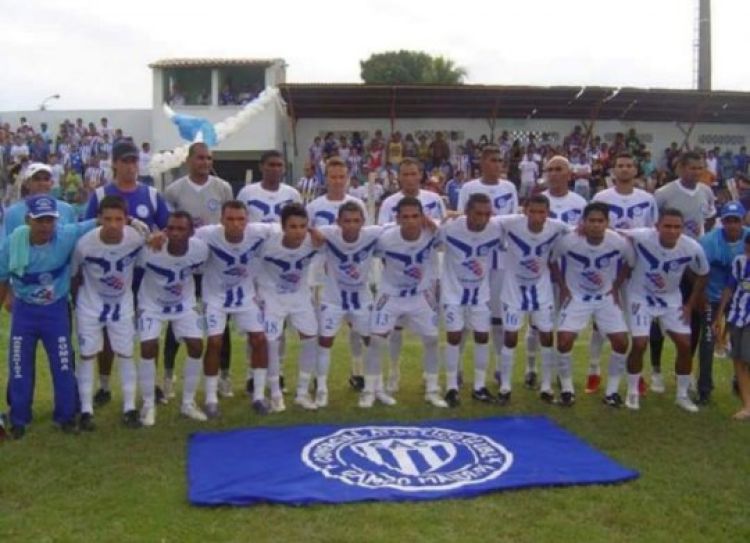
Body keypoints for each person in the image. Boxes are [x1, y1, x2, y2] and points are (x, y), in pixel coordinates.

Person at [0, 195, 99, 439]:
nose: (45, 226)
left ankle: (66, 416)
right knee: (19, 364)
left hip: (55, 310)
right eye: (40, 220)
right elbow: (2, 278)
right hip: (25, 311)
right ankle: (19, 418)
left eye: (50, 220)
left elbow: (99, 221)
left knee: (63, 364)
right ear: (28, 220)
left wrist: (134, 222)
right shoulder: (12, 244)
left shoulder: (66, 234)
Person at [85, 139, 169, 407]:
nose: (131, 166)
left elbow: (167, 227)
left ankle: (152, 384)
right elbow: (86, 229)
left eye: (134, 161)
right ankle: (104, 385)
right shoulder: (100, 195)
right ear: (115, 163)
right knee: (108, 333)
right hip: (109, 276)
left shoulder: (152, 194)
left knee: (149, 333)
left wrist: (159, 237)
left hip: (144, 277)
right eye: (125, 161)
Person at [163, 142, 233, 398]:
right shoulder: (174, 190)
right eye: (201, 158)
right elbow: (169, 226)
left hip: (215, 265)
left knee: (221, 322)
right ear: (189, 160)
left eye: (209, 158)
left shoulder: (223, 188)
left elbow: (229, 222)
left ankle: (224, 376)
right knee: (177, 320)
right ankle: (168, 376)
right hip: (185, 265)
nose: (205, 162)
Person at [73, 196, 150, 430]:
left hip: (122, 305)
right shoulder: (85, 244)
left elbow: (144, 263)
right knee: (87, 355)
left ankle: (129, 408)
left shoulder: (135, 238)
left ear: (126, 219)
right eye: (108, 219)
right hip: (90, 305)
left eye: (119, 219)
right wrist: (76, 304)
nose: (113, 225)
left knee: (125, 353)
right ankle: (86, 410)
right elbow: (74, 275)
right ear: (99, 219)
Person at [622, 208, 709, 412]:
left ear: (682, 228)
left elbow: (703, 274)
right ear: (657, 226)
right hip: (640, 296)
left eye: (677, 227)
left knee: (685, 344)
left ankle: (682, 395)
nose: (672, 231)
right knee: (640, 343)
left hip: (670, 299)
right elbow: (613, 231)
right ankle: (632, 391)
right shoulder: (642, 236)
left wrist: (689, 304)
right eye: (667, 226)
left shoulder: (692, 247)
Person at [194, 201, 274, 418]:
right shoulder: (206, 234)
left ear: (247, 220)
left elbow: (284, 228)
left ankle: (258, 395)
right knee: (214, 342)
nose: (236, 224)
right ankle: (211, 398)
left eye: (241, 219)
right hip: (215, 297)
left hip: (246, 296)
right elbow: (182, 239)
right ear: (221, 220)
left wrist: (313, 232)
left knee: (259, 339)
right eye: (230, 219)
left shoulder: (259, 231)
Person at [589, 152, 658, 393]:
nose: (625, 169)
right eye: (620, 165)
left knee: (636, 323)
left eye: (629, 165)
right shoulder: (601, 197)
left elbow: (653, 233)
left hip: (637, 268)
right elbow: (591, 228)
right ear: (613, 170)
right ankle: (593, 371)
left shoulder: (647, 199)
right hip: (606, 267)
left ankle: (636, 374)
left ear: (636, 170)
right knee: (599, 323)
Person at [551, 202, 630, 407]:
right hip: (577, 297)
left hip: (605, 297)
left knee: (621, 342)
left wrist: (616, 286)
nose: (596, 225)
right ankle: (567, 390)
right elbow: (552, 260)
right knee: (564, 341)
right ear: (583, 222)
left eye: (600, 221)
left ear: (607, 222)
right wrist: (563, 286)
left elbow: (630, 262)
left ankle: (612, 392)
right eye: (591, 221)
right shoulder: (569, 241)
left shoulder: (617, 241)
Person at [377, 158, 446, 392]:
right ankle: (394, 371)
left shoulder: (434, 199)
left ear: (420, 175)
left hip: (429, 272)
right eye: (404, 174)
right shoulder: (389, 203)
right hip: (397, 274)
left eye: (413, 173)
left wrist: (431, 224)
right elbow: (384, 237)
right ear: (399, 177)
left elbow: (441, 234)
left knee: (430, 329)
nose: (409, 178)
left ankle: (429, 375)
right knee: (395, 327)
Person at [650, 152, 716, 392]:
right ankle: (656, 370)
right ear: (680, 168)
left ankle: (684, 374)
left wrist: (699, 244)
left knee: (693, 316)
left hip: (694, 264)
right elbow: (652, 226)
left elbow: (709, 219)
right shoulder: (663, 194)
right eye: (692, 168)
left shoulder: (706, 191)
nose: (697, 172)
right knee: (657, 316)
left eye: (700, 168)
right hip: (667, 263)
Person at [368, 196, 443, 407]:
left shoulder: (432, 232)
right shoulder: (385, 238)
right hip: (390, 294)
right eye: (406, 217)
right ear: (398, 219)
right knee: (377, 340)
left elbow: (458, 225)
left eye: (415, 216)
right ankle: (374, 389)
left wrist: (439, 224)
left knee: (432, 339)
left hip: (420, 294)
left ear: (422, 217)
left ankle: (432, 389)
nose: (411, 221)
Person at [495, 195, 569, 405]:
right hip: (513, 290)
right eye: (532, 211)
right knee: (510, 337)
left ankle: (546, 386)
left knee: (546, 336)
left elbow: (580, 233)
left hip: (541, 289)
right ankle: (505, 387)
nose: (537, 216)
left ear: (547, 213)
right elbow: (483, 220)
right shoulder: (510, 223)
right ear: (525, 211)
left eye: (541, 212)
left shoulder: (557, 227)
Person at [136, 211, 209, 425]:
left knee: (196, 346)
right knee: (148, 347)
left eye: (181, 229)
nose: (175, 233)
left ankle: (188, 403)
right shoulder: (150, 250)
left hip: (184, 304)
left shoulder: (200, 249)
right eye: (171, 228)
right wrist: (147, 238)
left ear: (191, 232)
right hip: (152, 304)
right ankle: (148, 404)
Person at [457, 146, 519, 389]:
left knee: (498, 317)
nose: (497, 164)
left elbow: (513, 223)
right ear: (482, 162)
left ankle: (499, 368)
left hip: (501, 260)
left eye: (500, 160)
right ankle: (458, 367)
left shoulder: (509, 187)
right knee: (464, 315)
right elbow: (462, 220)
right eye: (493, 160)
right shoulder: (469, 188)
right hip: (474, 259)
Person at [523, 156, 587, 387]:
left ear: (569, 173)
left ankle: (561, 371)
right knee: (536, 323)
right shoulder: (538, 200)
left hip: (570, 272)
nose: (553, 173)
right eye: (549, 169)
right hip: (540, 271)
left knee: (565, 324)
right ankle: (531, 367)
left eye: (558, 169)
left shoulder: (580, 203)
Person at [306, 157, 369, 389]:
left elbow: (363, 238)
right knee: (322, 328)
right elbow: (309, 238)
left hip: (351, 273)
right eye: (333, 176)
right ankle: (318, 376)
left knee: (357, 325)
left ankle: (358, 372)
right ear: (326, 178)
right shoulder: (314, 206)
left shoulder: (357, 203)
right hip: (322, 274)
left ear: (348, 178)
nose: (338, 181)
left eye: (342, 176)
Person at [316, 202, 383, 406]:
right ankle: (321, 388)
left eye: (356, 221)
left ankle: (375, 387)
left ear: (363, 222)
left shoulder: (373, 234)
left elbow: (398, 228)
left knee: (371, 340)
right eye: (347, 221)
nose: (352, 225)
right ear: (338, 222)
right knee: (325, 341)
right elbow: (306, 231)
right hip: (333, 300)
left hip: (362, 299)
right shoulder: (327, 233)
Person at [256, 203, 321, 412]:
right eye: (293, 226)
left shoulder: (314, 241)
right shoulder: (266, 244)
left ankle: (302, 392)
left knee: (310, 338)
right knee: (272, 343)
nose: (298, 231)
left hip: (300, 296)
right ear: (283, 227)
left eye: (303, 226)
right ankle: (275, 393)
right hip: (272, 297)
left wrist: (318, 234)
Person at [439, 193, 502, 406]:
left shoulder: (496, 228)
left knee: (483, 336)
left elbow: (519, 221)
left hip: (480, 295)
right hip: (453, 294)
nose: (482, 218)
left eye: (487, 214)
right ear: (467, 212)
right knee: (454, 336)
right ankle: (451, 387)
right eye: (478, 213)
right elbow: (428, 232)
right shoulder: (449, 229)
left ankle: (479, 386)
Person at [697, 201, 750, 404]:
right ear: (722, 221)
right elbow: (697, 271)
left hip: (741, 302)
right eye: (728, 220)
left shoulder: (748, 238)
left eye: (736, 220)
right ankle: (704, 389)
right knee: (708, 340)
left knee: (742, 343)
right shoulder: (709, 242)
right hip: (712, 296)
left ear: (743, 220)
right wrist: (702, 296)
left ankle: (740, 382)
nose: (732, 225)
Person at [714, 233, 750, 419]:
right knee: (738, 360)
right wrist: (720, 314)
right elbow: (730, 288)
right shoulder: (739, 262)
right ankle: (747, 406)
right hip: (737, 316)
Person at [3, 163, 78, 236]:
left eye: (46, 179)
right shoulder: (13, 212)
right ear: (27, 183)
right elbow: (6, 241)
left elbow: (72, 237)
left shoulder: (67, 209)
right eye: (36, 179)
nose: (42, 183)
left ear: (51, 183)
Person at [236, 150, 302, 223]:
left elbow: (300, 222)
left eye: (279, 165)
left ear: (284, 169)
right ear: (261, 167)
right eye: (271, 165)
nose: (276, 169)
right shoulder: (246, 193)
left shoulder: (292, 194)